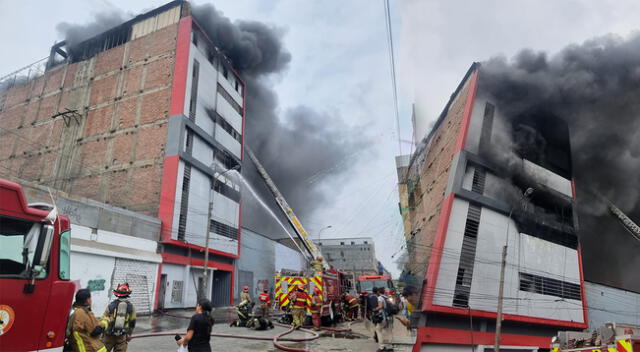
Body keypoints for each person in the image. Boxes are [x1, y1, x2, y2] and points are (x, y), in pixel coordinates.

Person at [101, 283, 136, 352]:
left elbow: (104, 318)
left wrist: (102, 331)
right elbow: (132, 322)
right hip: (122, 336)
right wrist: (129, 334)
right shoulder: (131, 307)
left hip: (109, 335)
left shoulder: (111, 306)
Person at [372, 287, 392, 352]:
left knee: (378, 330)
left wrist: (374, 309)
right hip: (387, 316)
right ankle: (390, 346)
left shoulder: (380, 298)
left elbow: (381, 306)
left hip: (382, 317)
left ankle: (381, 347)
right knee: (388, 331)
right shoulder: (386, 297)